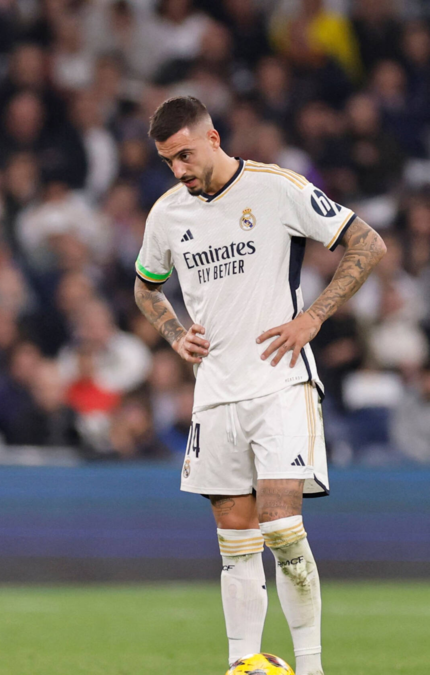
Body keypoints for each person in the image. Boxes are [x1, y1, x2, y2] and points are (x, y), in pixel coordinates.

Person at [133, 96, 387, 675]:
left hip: (279, 383)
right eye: (168, 161)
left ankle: (310, 668)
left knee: (282, 528)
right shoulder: (167, 214)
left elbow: (368, 242)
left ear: (213, 138)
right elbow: (146, 286)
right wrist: (175, 334)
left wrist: (313, 317)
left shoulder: (277, 188)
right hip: (215, 392)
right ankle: (241, 665)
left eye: (185, 155)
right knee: (235, 539)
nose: (178, 169)